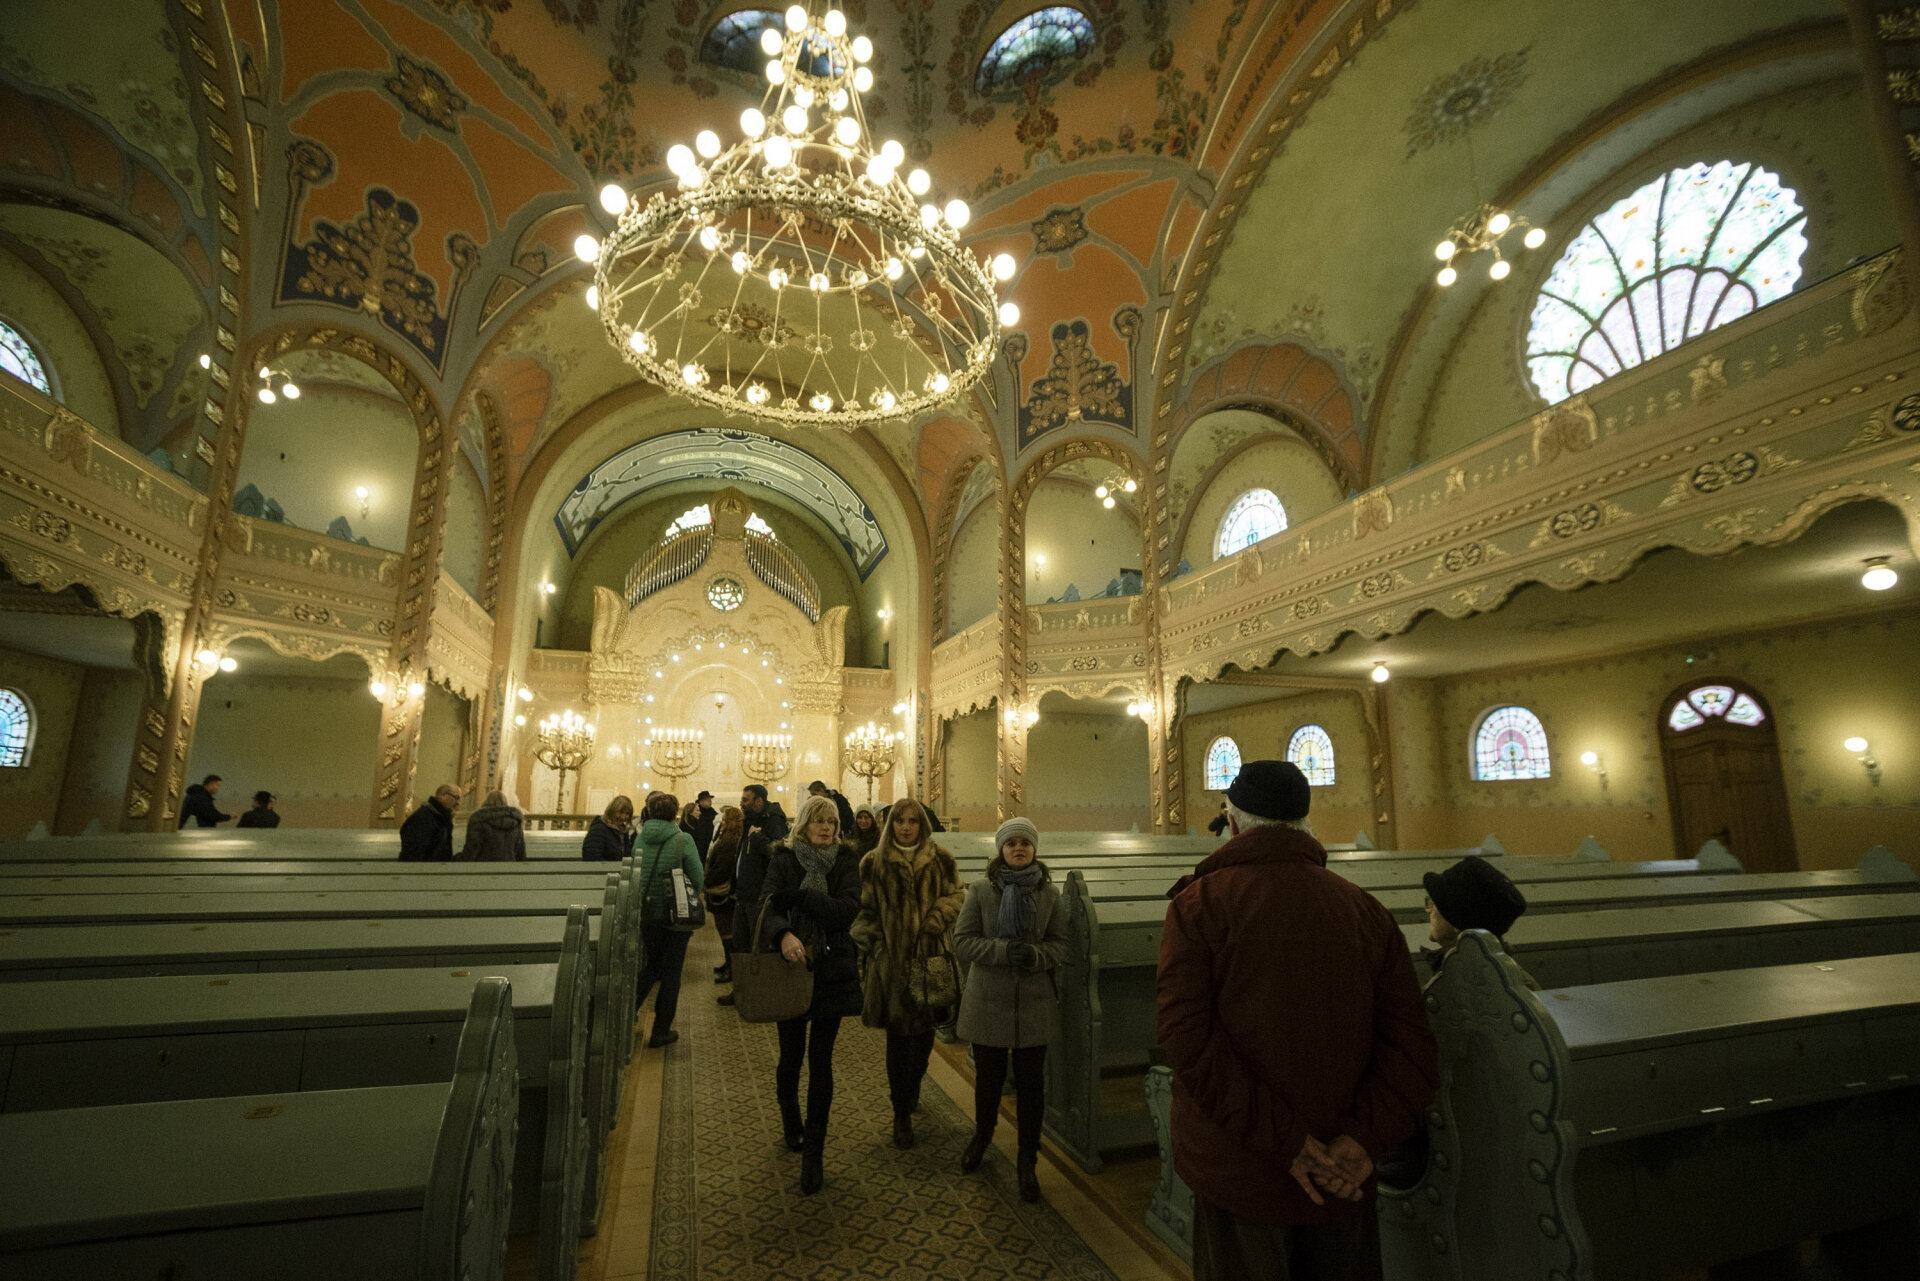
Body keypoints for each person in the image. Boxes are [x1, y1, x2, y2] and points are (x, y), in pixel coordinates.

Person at [1157, 760, 1437, 1281]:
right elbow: (1411, 1045)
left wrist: (1286, 1142)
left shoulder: (1200, 905)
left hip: (1240, 1164)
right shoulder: (1364, 910)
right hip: (1343, 1168)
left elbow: (1186, 1040)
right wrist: (1362, 1140)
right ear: (1305, 823)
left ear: (1233, 824)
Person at [951, 817, 1068, 1202]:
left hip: (1034, 1003)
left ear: (1034, 849)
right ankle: (982, 1136)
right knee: (989, 1080)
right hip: (988, 1000)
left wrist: (1035, 955)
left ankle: (1027, 1159)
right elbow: (962, 941)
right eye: (1012, 843)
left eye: (1025, 843)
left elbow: (1060, 944)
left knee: (1032, 1085)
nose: (1019, 848)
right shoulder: (981, 890)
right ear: (1001, 850)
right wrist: (1003, 951)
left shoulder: (1049, 894)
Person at [760, 793, 863, 1194]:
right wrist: (783, 934)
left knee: (821, 1060)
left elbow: (846, 910)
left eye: (832, 822)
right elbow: (766, 905)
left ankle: (813, 1155)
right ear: (803, 824)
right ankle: (791, 1120)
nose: (826, 828)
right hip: (790, 968)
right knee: (791, 1054)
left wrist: (803, 898)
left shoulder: (846, 860)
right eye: (819, 821)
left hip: (831, 969)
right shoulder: (784, 858)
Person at [850, 796, 964, 1150]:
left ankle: (913, 1085)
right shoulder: (874, 862)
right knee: (898, 1039)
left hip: (930, 958)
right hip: (892, 964)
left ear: (922, 825)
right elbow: (864, 911)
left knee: (926, 1032)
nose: (905, 827)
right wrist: (877, 948)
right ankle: (900, 1112)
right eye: (900, 820)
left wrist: (938, 915)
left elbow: (957, 895)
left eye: (913, 821)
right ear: (891, 824)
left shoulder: (941, 859)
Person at [633, 790, 705, 1048]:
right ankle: (661, 1030)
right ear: (675, 813)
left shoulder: (640, 837)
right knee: (672, 973)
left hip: (647, 911)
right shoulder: (682, 839)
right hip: (675, 914)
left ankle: (627, 1014)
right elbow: (697, 877)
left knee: (652, 966)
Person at [1420, 855, 1533, 989]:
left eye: (1432, 903)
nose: (1428, 910)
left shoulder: (1458, 987)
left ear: (1457, 922)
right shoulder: (1502, 974)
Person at [703, 804, 760, 994]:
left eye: (725, 820)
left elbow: (722, 868)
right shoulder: (728, 838)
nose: (722, 823)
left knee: (727, 932)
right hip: (722, 892)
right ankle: (728, 963)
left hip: (723, 894)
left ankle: (731, 968)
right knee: (725, 931)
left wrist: (707, 879)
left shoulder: (729, 842)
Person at [398, 783, 462, 861]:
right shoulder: (422, 818)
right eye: (456, 798)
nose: (458, 803)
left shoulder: (441, 817)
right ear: (443, 795)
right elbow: (414, 854)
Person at [460, 789, 527, 861]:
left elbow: (472, 850)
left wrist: (457, 859)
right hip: (509, 865)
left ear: (486, 802)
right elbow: (521, 853)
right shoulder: (515, 822)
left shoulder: (478, 820)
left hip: (482, 866)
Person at [582, 795, 635, 861]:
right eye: (620, 812)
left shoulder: (623, 831)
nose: (623, 817)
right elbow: (591, 857)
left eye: (627, 813)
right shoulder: (599, 829)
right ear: (612, 810)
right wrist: (611, 866)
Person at [682, 790, 717, 857]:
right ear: (701, 802)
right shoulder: (695, 815)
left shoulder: (711, 811)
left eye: (710, 800)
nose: (710, 801)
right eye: (708, 800)